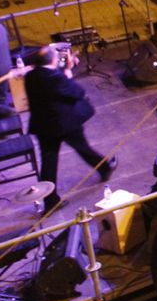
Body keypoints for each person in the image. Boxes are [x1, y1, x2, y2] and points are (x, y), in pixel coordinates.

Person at [23, 44, 116, 211]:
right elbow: (76, 93)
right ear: (53, 60)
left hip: (43, 125)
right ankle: (104, 167)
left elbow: (50, 77)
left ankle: (50, 201)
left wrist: (64, 67)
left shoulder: (31, 76)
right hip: (63, 122)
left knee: (48, 162)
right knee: (82, 147)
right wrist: (68, 72)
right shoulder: (55, 78)